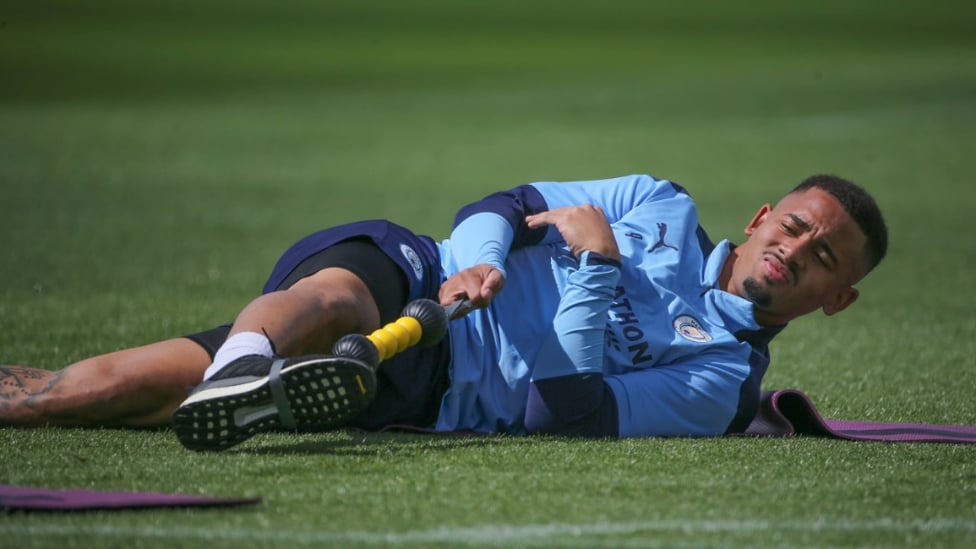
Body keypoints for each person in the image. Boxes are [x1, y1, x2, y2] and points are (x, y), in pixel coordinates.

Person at [0, 173, 888, 451]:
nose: (796, 250)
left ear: (836, 298)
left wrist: (596, 270)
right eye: (797, 225)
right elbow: (504, 202)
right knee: (337, 295)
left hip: (435, 381)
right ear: (764, 213)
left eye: (823, 258)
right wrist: (479, 271)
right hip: (422, 276)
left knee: (106, 388)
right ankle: (246, 368)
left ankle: (235, 366)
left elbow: (564, 411)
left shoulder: (726, 381)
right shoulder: (659, 200)